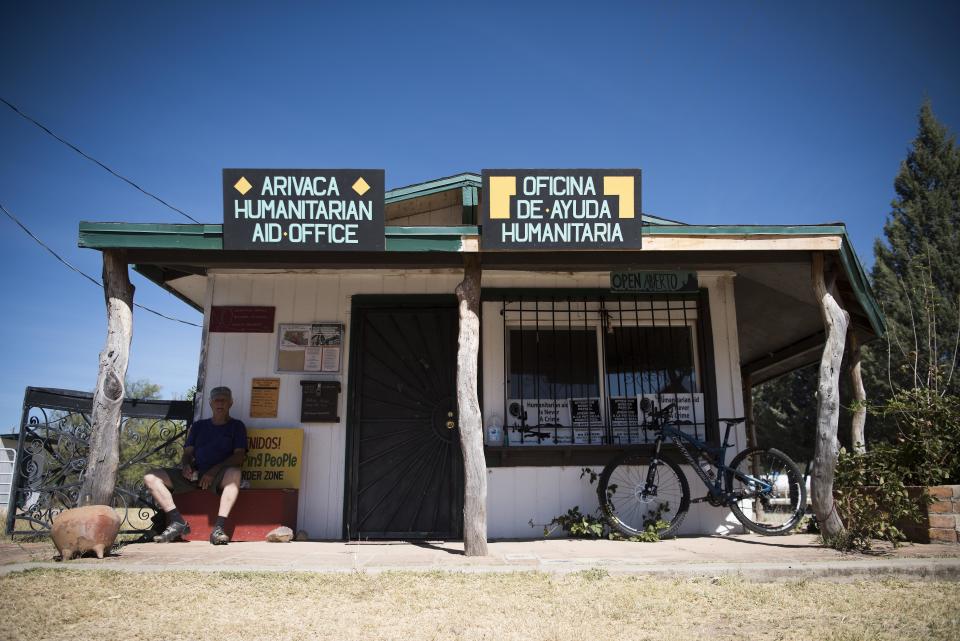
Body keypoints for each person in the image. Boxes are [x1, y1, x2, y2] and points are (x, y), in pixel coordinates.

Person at [144, 386, 247, 545]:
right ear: (210, 403)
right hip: (194, 475)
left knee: (235, 473)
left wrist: (214, 470)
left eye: (224, 400)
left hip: (219, 476)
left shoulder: (237, 426)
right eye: (216, 400)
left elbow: (240, 456)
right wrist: (186, 466)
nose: (220, 403)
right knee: (151, 477)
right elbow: (187, 453)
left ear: (231, 403)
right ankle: (177, 522)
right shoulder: (199, 426)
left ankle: (218, 529)